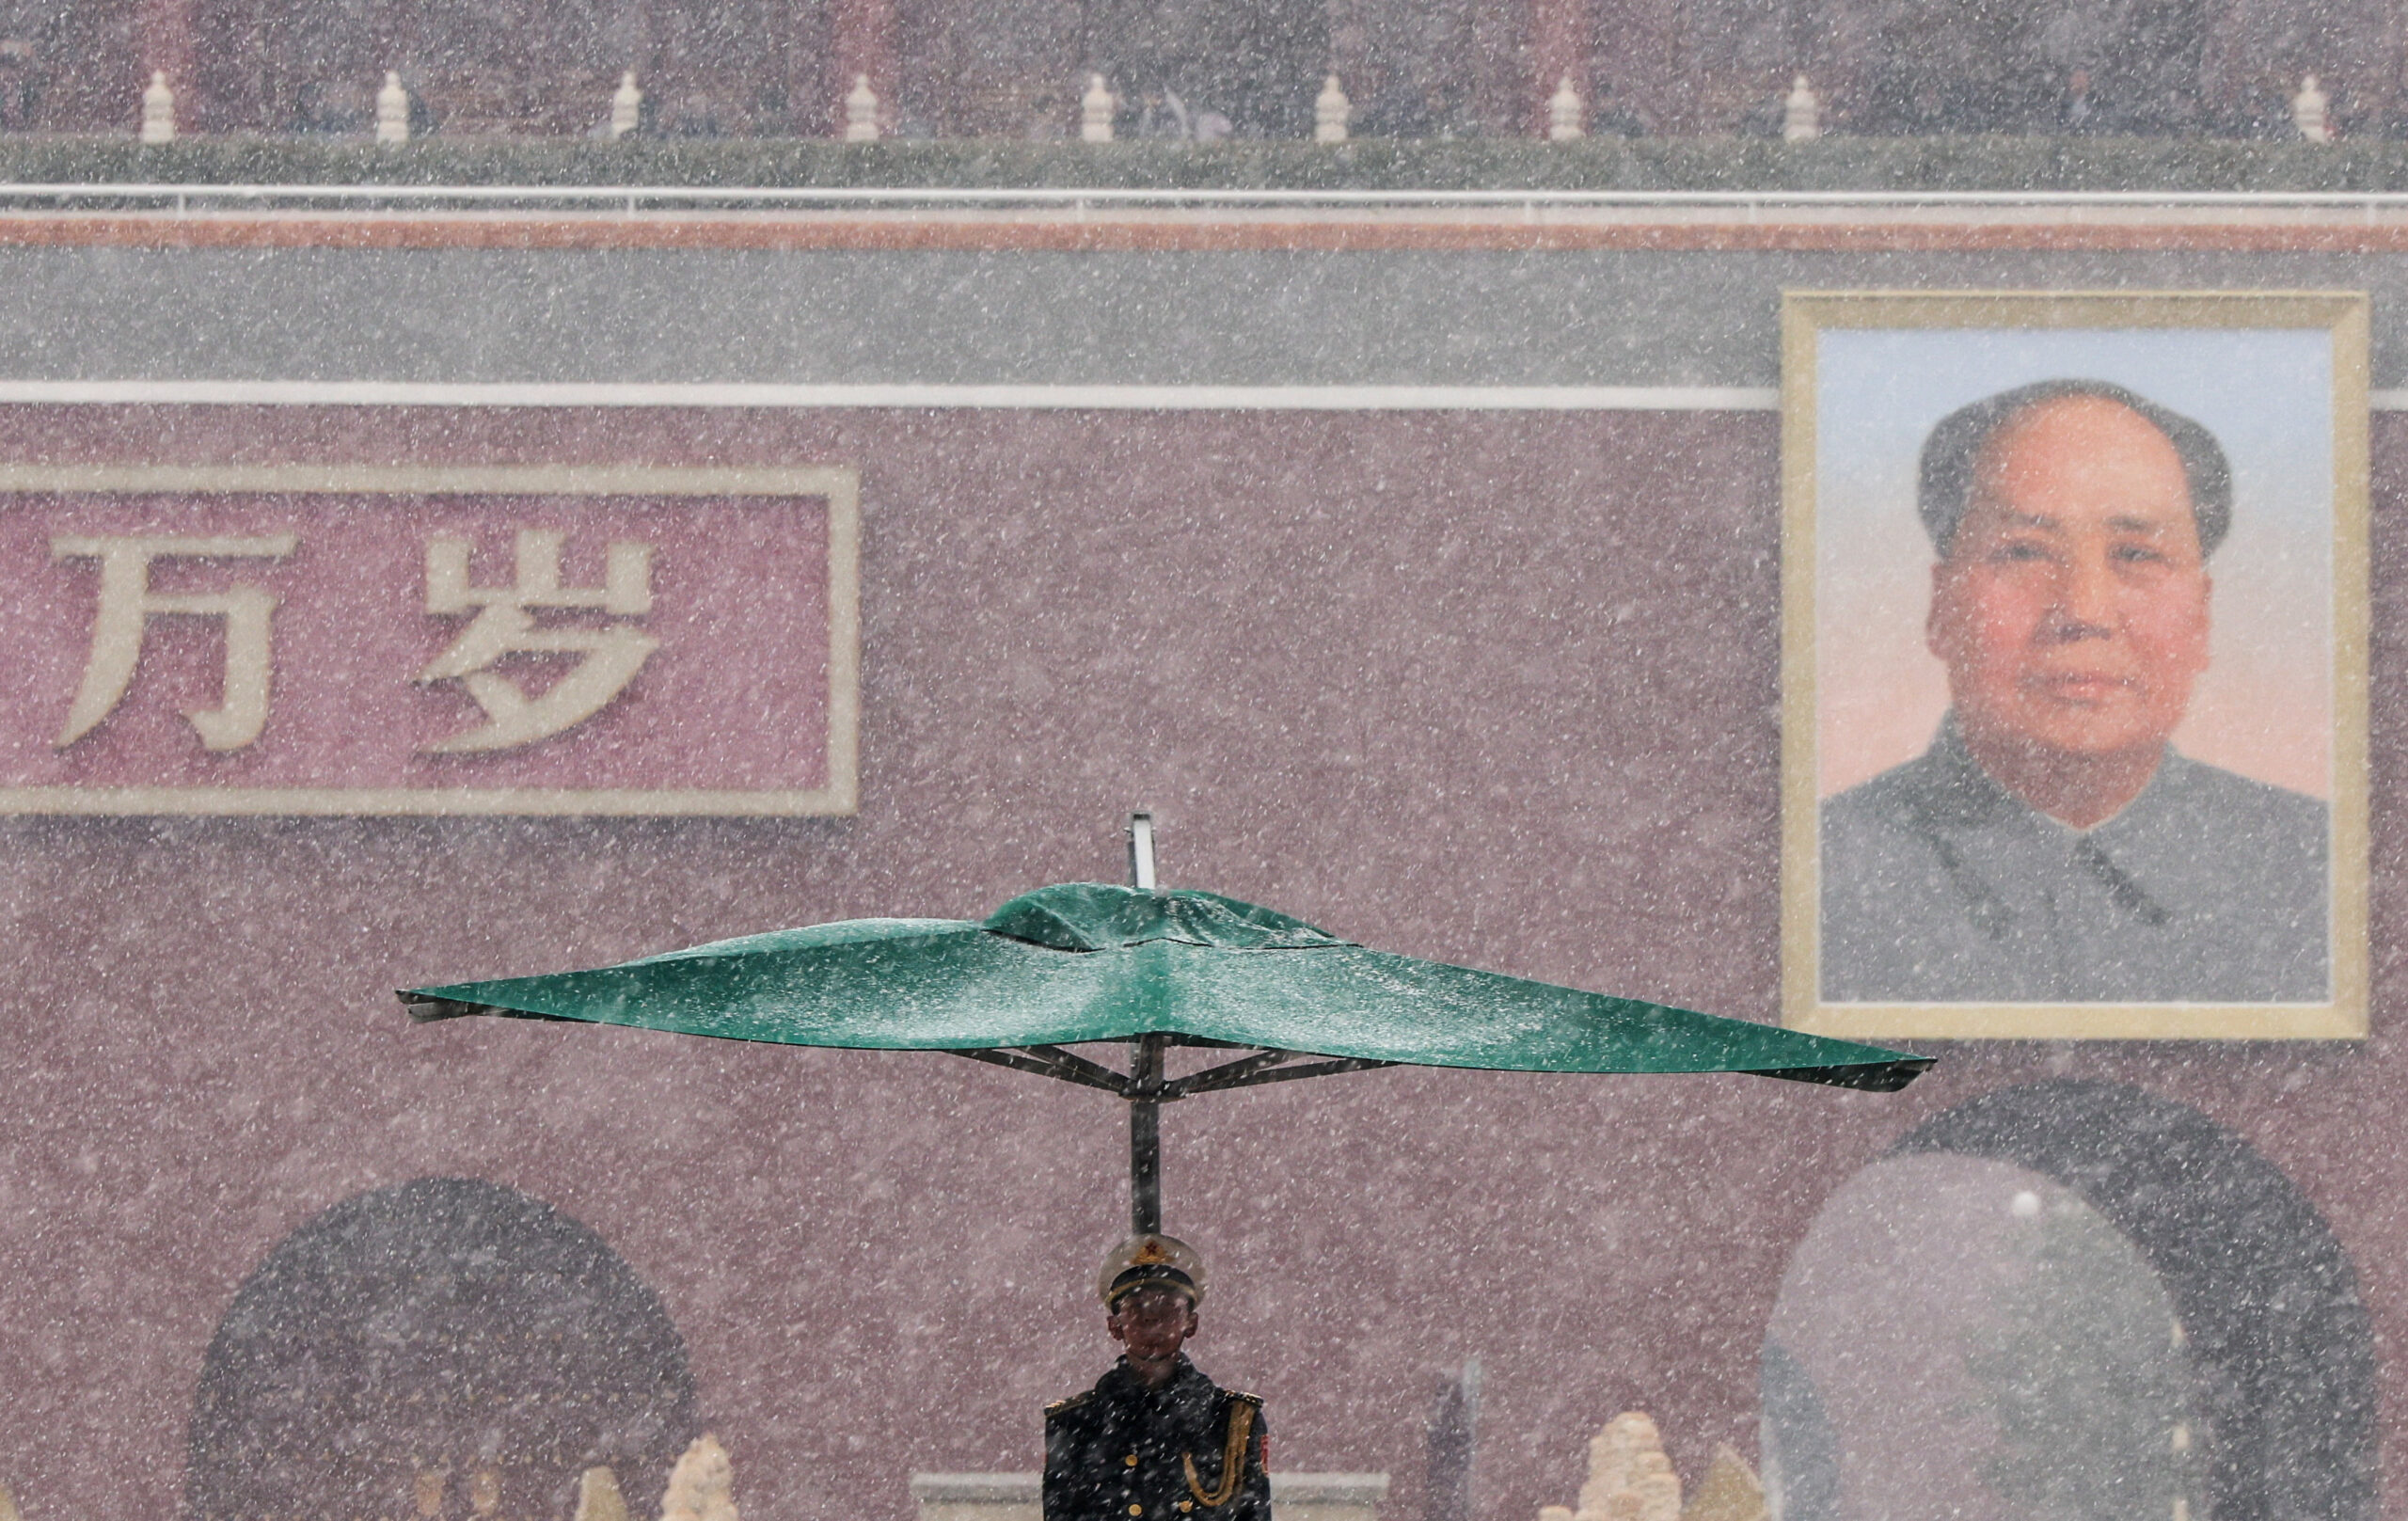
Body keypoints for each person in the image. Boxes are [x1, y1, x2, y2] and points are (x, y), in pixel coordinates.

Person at [1820, 378, 2329, 1004]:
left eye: (2137, 555)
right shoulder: (1812, 872)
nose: (2084, 611)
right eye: (2025, 552)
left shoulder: (2322, 870)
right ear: (1942, 606)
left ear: (2201, 616)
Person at [1044, 1236, 1270, 1521]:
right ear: (1115, 1326)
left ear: (1191, 1323)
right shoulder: (1075, 1423)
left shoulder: (1234, 1420)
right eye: (1136, 1308)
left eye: (1168, 1308)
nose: (1152, 1320)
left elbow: (1254, 1513)